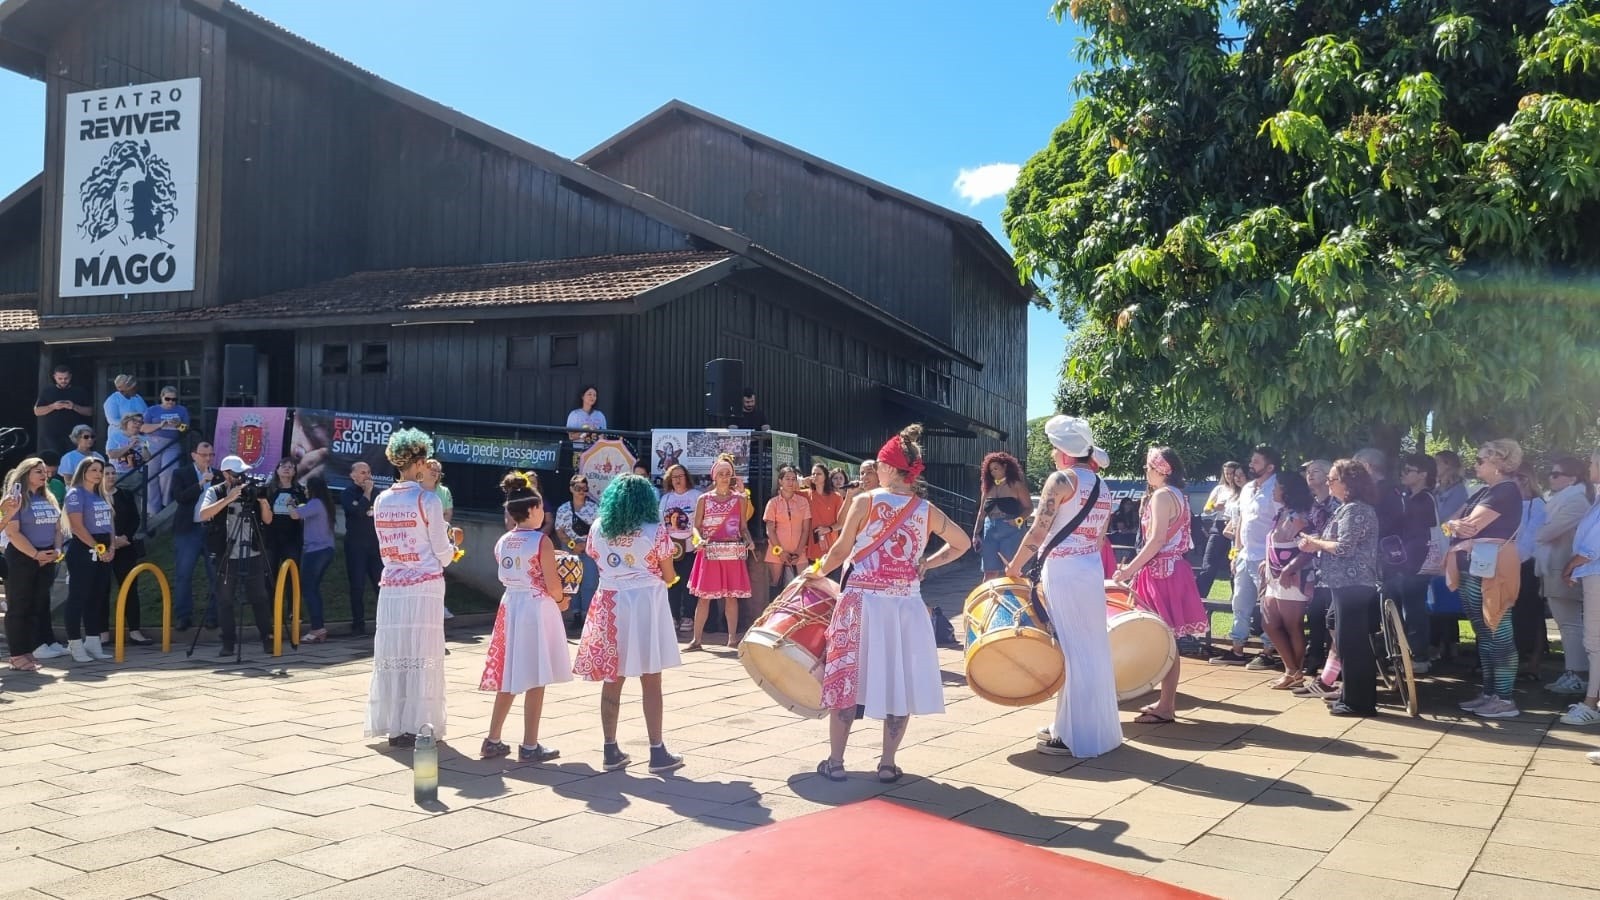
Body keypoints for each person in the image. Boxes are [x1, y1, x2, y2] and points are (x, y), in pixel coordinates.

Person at [814, 424, 969, 780]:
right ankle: (887, 764)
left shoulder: (866, 501)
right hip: (905, 604)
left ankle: (836, 763)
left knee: (847, 678)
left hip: (862, 601)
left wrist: (815, 572)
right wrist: (927, 563)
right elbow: (961, 543)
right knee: (899, 680)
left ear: (887, 467)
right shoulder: (925, 509)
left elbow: (840, 549)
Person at [1005, 416, 1120, 757]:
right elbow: (1100, 538)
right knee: (1092, 647)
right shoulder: (1103, 486)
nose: (1053, 454)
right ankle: (1087, 728)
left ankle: (1071, 734)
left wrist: (1014, 566)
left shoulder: (1061, 480)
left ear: (1066, 452)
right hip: (1088, 568)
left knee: (1068, 649)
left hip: (1064, 569)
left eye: (1055, 449)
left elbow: (1039, 530)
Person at [572, 473, 686, 774]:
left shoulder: (598, 527)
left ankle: (610, 748)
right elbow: (669, 574)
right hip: (646, 602)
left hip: (610, 602)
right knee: (651, 678)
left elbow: (594, 557)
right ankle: (656, 750)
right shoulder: (654, 529)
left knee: (613, 677)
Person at [365, 429, 461, 748]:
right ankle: (419, 724)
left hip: (392, 585)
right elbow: (442, 551)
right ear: (420, 461)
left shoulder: (381, 499)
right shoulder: (427, 499)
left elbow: (384, 545)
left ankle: (395, 725)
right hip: (424, 585)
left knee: (395, 654)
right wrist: (453, 546)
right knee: (422, 655)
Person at [1112, 446, 1210, 721]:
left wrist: (1130, 569)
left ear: (1160, 469)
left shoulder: (1162, 496)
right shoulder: (1178, 495)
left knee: (1163, 638)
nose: (1146, 473)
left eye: (1148, 468)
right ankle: (1165, 702)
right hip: (1173, 569)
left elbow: (1155, 541)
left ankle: (1166, 705)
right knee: (1167, 639)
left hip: (1160, 572)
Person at [479, 472, 570, 762]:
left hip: (511, 605)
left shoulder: (504, 540)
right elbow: (553, 583)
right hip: (535, 605)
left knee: (510, 673)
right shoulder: (540, 541)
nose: (544, 512)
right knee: (536, 674)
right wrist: (561, 600)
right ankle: (530, 744)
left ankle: (493, 737)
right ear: (531, 510)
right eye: (541, 507)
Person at [1446, 440, 1526, 719]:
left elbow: (1466, 528)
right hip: (1475, 567)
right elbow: (1450, 523)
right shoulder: (1484, 492)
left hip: (1494, 568)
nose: (1475, 465)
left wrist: (1456, 527)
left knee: (1498, 632)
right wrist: (1455, 526)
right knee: (1484, 633)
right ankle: (1490, 693)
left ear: (1498, 464)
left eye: (1481, 460)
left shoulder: (1505, 491)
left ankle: (1504, 700)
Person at [1296, 459, 1380, 717]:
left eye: (1332, 479)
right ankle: (1349, 694)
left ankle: (1359, 702)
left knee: (1353, 644)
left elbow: (1344, 547)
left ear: (1348, 483)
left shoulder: (1356, 510)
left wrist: (1317, 544)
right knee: (1344, 640)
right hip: (1342, 583)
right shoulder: (1346, 508)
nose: (1328, 484)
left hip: (1353, 584)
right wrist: (1317, 542)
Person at [199, 455, 277, 657]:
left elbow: (268, 520)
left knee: (259, 596)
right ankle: (228, 643)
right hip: (227, 553)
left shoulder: (250, 490)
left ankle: (267, 638)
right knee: (225, 599)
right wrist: (229, 498)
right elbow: (203, 515)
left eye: (243, 473)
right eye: (236, 474)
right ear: (226, 474)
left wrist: (263, 501)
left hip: (253, 552)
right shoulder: (215, 491)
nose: (241, 477)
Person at [1213, 445, 1281, 667]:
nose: (1251, 465)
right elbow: (1241, 520)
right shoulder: (1248, 488)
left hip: (1266, 556)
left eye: (1257, 462)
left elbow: (1281, 520)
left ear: (1270, 467)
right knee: (1240, 602)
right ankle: (1237, 649)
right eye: (1251, 461)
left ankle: (1268, 651)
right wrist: (1236, 552)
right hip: (1244, 554)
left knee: (1267, 606)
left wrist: (1274, 554)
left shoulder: (1277, 488)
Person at [687, 455, 755, 649]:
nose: (725, 477)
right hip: (709, 551)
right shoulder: (704, 499)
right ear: (714, 476)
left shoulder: (740, 499)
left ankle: (732, 638)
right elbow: (696, 527)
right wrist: (699, 540)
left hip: (731, 551)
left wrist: (748, 541)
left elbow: (743, 527)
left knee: (731, 596)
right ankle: (697, 639)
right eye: (721, 473)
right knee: (704, 597)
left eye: (728, 474)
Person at [1540, 456, 1593, 697]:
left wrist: (1528, 531)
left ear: (1573, 478)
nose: (1551, 478)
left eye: (1556, 474)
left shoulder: (1575, 501)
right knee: (1566, 624)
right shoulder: (1561, 499)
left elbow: (1546, 532)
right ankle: (1574, 672)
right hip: (1554, 567)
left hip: (1563, 568)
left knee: (1570, 624)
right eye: (1551, 473)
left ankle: (1578, 674)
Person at [1256, 470, 1314, 690]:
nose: (1273, 490)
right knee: (1269, 623)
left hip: (1292, 577)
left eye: (1277, 486)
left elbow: (1308, 548)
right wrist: (1267, 562)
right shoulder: (1281, 513)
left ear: (1287, 490)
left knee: (1293, 626)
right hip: (1275, 576)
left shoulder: (1298, 516)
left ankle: (1294, 672)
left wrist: (1289, 569)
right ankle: (1292, 670)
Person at [3, 458, 62, 671]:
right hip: (22, 558)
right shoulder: (16, 499)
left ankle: (28, 651)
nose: (43, 474)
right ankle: (17, 655)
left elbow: (58, 529)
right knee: (19, 606)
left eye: (44, 471)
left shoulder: (49, 498)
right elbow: (12, 532)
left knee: (36, 605)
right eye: (38, 471)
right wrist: (35, 554)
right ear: (26, 473)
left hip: (47, 557)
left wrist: (56, 551)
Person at [62, 458, 116, 662]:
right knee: (78, 596)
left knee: (97, 596)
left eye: (100, 470)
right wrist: (96, 547)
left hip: (103, 547)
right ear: (83, 471)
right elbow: (76, 526)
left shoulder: (101, 494)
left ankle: (93, 641)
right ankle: (74, 642)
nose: (98, 473)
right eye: (93, 470)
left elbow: (109, 522)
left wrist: (111, 546)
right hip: (84, 548)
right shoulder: (75, 493)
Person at [1560, 451, 1600, 726]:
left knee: (1594, 641)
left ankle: (1590, 703)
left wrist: (1572, 565)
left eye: (1593, 462)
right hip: (1592, 572)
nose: (1589, 467)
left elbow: (1593, 547)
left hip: (1596, 572)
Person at [1396, 453, 1442, 672]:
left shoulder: (1422, 499)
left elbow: (1417, 533)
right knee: (1411, 607)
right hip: (1411, 560)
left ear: (1423, 474)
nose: (1403, 474)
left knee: (1414, 610)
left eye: (1409, 470)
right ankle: (1416, 654)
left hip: (1417, 560)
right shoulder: (1412, 496)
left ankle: (1420, 657)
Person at [170, 443, 217, 632]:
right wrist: (200, 483)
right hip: (188, 530)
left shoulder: (220, 475)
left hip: (213, 530)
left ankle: (214, 616)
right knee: (183, 574)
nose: (207, 458)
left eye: (211, 455)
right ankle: (183, 616)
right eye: (203, 454)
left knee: (216, 574)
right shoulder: (181, 474)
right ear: (193, 455)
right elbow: (180, 497)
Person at [105, 468, 153, 647]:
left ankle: (134, 631)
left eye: (113, 473)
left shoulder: (125, 495)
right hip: (103, 548)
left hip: (125, 547)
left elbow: (135, 518)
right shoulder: (94, 496)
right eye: (106, 474)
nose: (110, 477)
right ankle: (102, 633)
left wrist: (124, 537)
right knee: (102, 590)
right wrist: (110, 541)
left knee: (130, 589)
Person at [1299, 458, 1339, 673]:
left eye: (1316, 471)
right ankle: (1314, 658)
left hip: (1336, 570)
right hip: (1316, 569)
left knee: (1333, 621)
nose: (1310, 475)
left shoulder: (1338, 504)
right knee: (1314, 616)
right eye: (1308, 472)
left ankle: (1334, 668)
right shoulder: (1312, 505)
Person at [1512, 470, 1548, 681]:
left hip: (1529, 565)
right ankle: (1516, 659)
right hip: (1510, 564)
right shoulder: (1512, 504)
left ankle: (1534, 662)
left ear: (1524, 479)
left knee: (1532, 613)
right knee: (1516, 613)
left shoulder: (1538, 505)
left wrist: (1516, 557)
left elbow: (1533, 536)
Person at [292, 476, 337, 644]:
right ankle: (319, 627)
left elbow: (294, 515)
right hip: (325, 549)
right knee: (313, 589)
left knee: (309, 589)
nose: (304, 490)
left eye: (306, 488)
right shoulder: (324, 503)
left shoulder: (316, 503)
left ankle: (317, 628)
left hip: (316, 551)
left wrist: (290, 504)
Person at [972, 452, 1030, 580]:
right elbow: (981, 513)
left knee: (1012, 569)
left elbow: (1029, 508)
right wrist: (976, 534)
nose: (993, 472)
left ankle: (1017, 597)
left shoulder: (1016, 485)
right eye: (991, 470)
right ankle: (988, 598)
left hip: (1010, 528)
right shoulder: (987, 488)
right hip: (990, 528)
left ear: (1005, 467)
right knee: (989, 570)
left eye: (996, 468)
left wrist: (1018, 521)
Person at [340, 462, 382, 636]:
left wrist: (370, 495)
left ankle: (384, 622)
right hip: (356, 546)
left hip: (375, 546)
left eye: (369, 472)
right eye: (363, 472)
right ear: (353, 476)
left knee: (381, 585)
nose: (367, 476)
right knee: (357, 586)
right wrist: (366, 494)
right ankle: (358, 624)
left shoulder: (378, 494)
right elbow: (357, 512)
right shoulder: (347, 493)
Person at [556, 475, 601, 630]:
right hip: (570, 549)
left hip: (589, 549)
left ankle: (587, 616)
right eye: (578, 488)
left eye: (584, 488)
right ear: (571, 489)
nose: (581, 492)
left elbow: (599, 530)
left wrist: (585, 545)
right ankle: (575, 615)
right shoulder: (563, 509)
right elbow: (559, 530)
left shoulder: (595, 508)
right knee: (572, 582)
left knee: (589, 582)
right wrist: (572, 544)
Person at [659, 464, 701, 632]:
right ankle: (673, 616)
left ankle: (688, 617)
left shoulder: (696, 496)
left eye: (680, 476)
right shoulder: (665, 499)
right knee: (672, 585)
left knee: (688, 585)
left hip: (691, 548)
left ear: (686, 477)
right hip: (670, 550)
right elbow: (661, 525)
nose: (677, 479)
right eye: (673, 476)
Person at [1194, 462, 1244, 596]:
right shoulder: (1220, 489)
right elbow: (1206, 509)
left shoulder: (1244, 490)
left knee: (1234, 565)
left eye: (1231, 473)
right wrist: (1215, 506)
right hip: (1219, 525)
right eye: (1226, 473)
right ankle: (1199, 597)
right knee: (1209, 563)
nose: (1229, 477)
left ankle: (1235, 598)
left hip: (1235, 527)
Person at [763, 464, 811, 588]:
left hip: (799, 553)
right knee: (775, 587)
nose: (790, 482)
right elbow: (770, 530)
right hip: (776, 552)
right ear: (780, 481)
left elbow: (805, 530)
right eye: (787, 479)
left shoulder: (803, 502)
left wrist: (799, 552)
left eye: (793, 479)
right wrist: (780, 552)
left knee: (801, 588)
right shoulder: (773, 503)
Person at [421, 459, 456, 620]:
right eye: (431, 469)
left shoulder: (444, 491)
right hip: (422, 537)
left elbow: (447, 513)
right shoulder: (417, 490)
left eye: (437, 470)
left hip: (440, 534)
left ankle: (439, 606)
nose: (435, 472)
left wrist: (441, 527)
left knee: (439, 572)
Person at [145, 386, 189, 514]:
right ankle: (152, 510)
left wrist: (178, 424)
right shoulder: (152, 410)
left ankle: (166, 502)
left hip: (172, 444)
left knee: (168, 473)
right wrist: (160, 425)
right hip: (154, 443)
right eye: (167, 399)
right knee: (151, 477)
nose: (171, 402)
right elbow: (143, 427)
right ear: (161, 397)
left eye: (174, 399)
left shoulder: (181, 410)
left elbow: (186, 429)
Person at [263, 457, 307, 581]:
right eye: (283, 466)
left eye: (290, 467)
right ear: (277, 470)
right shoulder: (268, 490)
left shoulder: (300, 491)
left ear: (295, 472)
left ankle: (292, 599)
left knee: (291, 574)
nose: (287, 469)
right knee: (270, 574)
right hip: (271, 538)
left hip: (292, 539)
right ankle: (270, 600)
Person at [33, 365, 92, 454]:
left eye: (66, 378)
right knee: (54, 460)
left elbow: (90, 412)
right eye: (60, 378)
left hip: (74, 435)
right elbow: (37, 411)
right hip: (52, 435)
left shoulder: (79, 391)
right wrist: (53, 406)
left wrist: (74, 406)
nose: (63, 381)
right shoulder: (47, 391)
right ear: (54, 377)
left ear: (70, 377)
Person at [804, 462, 844, 566]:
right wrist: (803, 482)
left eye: (819, 474)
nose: (815, 476)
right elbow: (786, 490)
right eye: (813, 474)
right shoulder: (807, 494)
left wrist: (827, 529)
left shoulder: (836, 497)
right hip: (813, 544)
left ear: (826, 476)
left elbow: (841, 523)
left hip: (830, 544)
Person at [105, 412, 153, 477]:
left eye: (140, 422)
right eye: (134, 421)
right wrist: (130, 446)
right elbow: (111, 455)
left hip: (137, 474)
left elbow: (147, 458)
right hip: (117, 474)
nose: (138, 424)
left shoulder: (145, 438)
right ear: (126, 422)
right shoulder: (115, 436)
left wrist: (143, 446)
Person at [566, 385, 607, 454]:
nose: (592, 397)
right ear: (582, 397)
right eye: (589, 394)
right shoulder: (574, 414)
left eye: (594, 395)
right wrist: (586, 432)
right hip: (580, 453)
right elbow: (571, 436)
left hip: (597, 454)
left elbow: (604, 437)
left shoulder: (600, 415)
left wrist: (596, 434)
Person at [1435, 450, 1468, 520]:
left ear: (1448, 465)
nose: (1433, 466)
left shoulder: (1458, 490)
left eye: (1436, 462)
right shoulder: (1436, 489)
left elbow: (1443, 516)